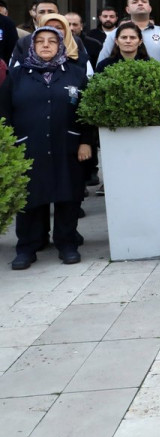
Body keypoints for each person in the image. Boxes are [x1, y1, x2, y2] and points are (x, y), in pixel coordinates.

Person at [1, 27, 94, 269]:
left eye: (52, 41)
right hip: (27, 147)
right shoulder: (17, 75)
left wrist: (86, 140)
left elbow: (87, 111)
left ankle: (67, 244)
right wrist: (9, 145)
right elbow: (4, 113)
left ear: (60, 46)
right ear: (31, 46)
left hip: (68, 146)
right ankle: (27, 248)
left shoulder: (75, 74)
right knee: (30, 198)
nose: (45, 45)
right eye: (40, 41)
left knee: (68, 197)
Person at [96, 0, 160, 65]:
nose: (140, 3)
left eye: (144, 1)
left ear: (150, 8)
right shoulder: (115, 34)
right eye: (135, 2)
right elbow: (101, 66)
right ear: (128, 9)